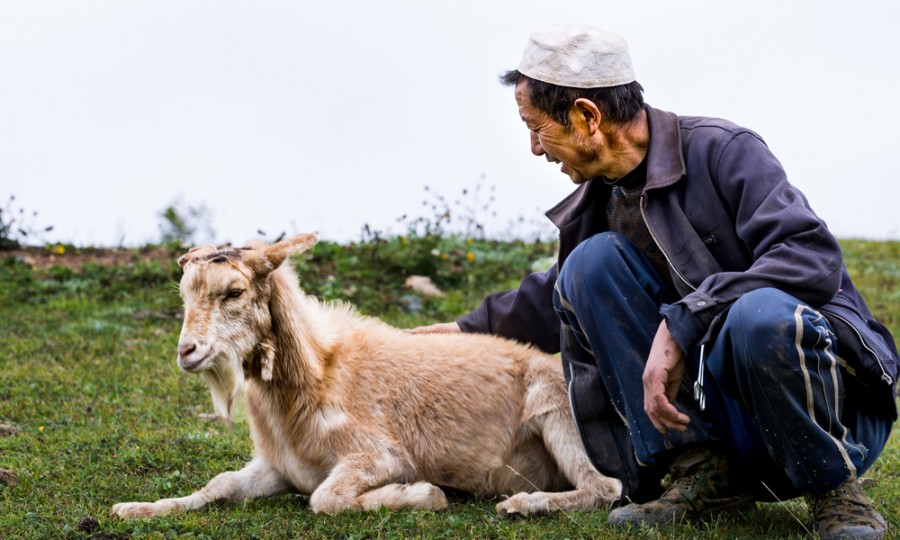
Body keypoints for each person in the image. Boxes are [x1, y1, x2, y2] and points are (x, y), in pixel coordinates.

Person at [413, 24, 898, 539]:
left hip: (836, 418)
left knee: (756, 316)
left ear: (586, 116)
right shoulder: (601, 202)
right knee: (588, 265)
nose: (535, 147)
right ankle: (703, 475)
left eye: (536, 127)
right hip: (732, 425)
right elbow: (560, 290)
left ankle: (836, 491)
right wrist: (466, 331)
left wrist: (685, 321)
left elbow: (810, 256)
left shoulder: (725, 150)